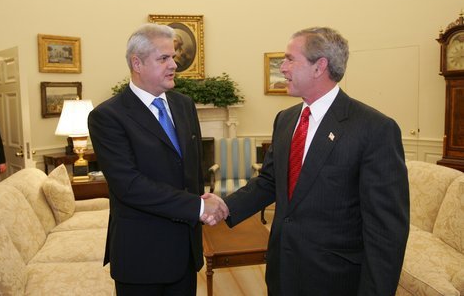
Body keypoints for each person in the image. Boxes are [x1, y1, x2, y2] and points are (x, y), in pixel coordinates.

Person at [219, 27, 410, 296]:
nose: (282, 68)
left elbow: (386, 230)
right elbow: (270, 181)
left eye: (289, 59)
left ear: (319, 67)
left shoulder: (374, 128)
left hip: (335, 280)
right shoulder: (285, 119)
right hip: (282, 272)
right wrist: (225, 206)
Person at [88, 23, 228, 296]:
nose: (174, 65)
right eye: (164, 58)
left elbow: (192, 169)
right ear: (136, 63)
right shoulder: (108, 117)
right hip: (142, 257)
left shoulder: (184, 104)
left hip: (185, 253)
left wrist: (203, 200)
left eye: (173, 57)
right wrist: (198, 207)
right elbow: (129, 186)